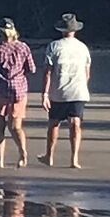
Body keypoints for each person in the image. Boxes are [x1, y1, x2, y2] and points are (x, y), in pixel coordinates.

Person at [40, 12, 93, 169]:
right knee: (75, 123)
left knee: (54, 123)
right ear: (75, 30)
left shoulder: (54, 46)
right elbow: (87, 72)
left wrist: (45, 94)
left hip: (59, 92)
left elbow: (47, 72)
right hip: (78, 91)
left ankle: (49, 156)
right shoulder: (83, 48)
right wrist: (82, 85)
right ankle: (74, 159)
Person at [0, 18, 40, 169]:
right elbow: (32, 69)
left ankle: (0, 161)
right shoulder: (23, 47)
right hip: (19, 90)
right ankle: (22, 153)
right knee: (16, 126)